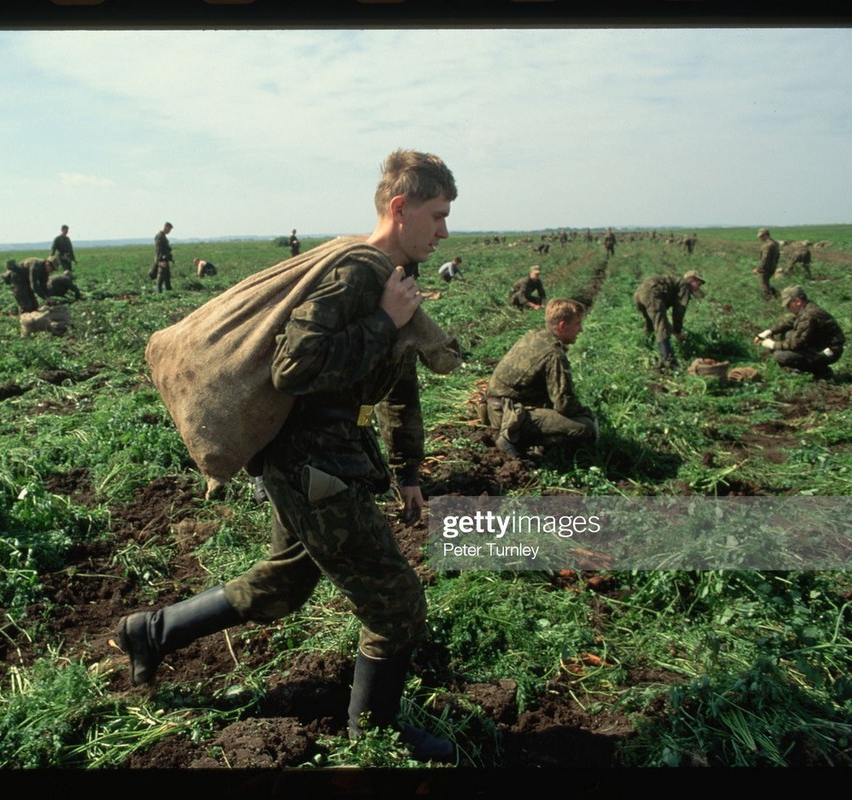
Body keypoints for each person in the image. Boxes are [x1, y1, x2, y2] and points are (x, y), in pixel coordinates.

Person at [112, 149, 459, 761]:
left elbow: (396, 382)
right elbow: (295, 367)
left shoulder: (388, 280)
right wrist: (381, 321)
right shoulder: (359, 276)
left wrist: (407, 468)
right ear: (400, 208)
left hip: (323, 462)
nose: (444, 231)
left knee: (284, 582)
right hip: (314, 468)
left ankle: (150, 632)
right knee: (396, 603)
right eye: (436, 214)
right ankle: (375, 734)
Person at [484, 298, 597, 460]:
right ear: (562, 326)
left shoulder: (536, 336)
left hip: (497, 408)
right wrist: (586, 413)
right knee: (585, 427)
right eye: (578, 324)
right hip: (508, 416)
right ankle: (513, 440)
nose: (581, 330)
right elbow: (564, 404)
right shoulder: (554, 354)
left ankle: (527, 440)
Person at [755, 284, 844, 378]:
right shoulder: (807, 307)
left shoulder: (809, 315)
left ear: (797, 301)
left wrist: (772, 344)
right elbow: (790, 322)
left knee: (780, 355)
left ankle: (822, 371)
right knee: (787, 334)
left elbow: (796, 343)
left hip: (830, 351)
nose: (787, 308)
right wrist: (770, 331)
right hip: (822, 344)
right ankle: (809, 365)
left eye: (788, 304)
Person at [633, 270, 706, 367]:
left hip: (639, 294)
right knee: (662, 327)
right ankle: (669, 362)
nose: (698, 287)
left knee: (650, 325)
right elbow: (679, 310)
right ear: (691, 280)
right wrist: (677, 331)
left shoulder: (676, 281)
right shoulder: (685, 285)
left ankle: (645, 350)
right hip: (652, 295)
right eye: (698, 283)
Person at [754, 227, 780, 300]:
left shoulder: (767, 245)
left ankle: (768, 299)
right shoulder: (775, 243)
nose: (760, 238)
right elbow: (778, 256)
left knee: (763, 283)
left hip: (766, 268)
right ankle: (777, 295)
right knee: (766, 282)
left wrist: (758, 269)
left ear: (766, 235)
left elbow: (765, 259)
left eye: (762, 236)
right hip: (772, 266)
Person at [153, 222, 174, 293]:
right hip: (162, 260)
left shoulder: (163, 236)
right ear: (166, 227)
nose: (169, 231)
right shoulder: (160, 236)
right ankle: (158, 293)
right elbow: (158, 249)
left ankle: (169, 291)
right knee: (160, 278)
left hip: (165, 259)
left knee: (167, 277)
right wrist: (159, 261)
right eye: (169, 229)